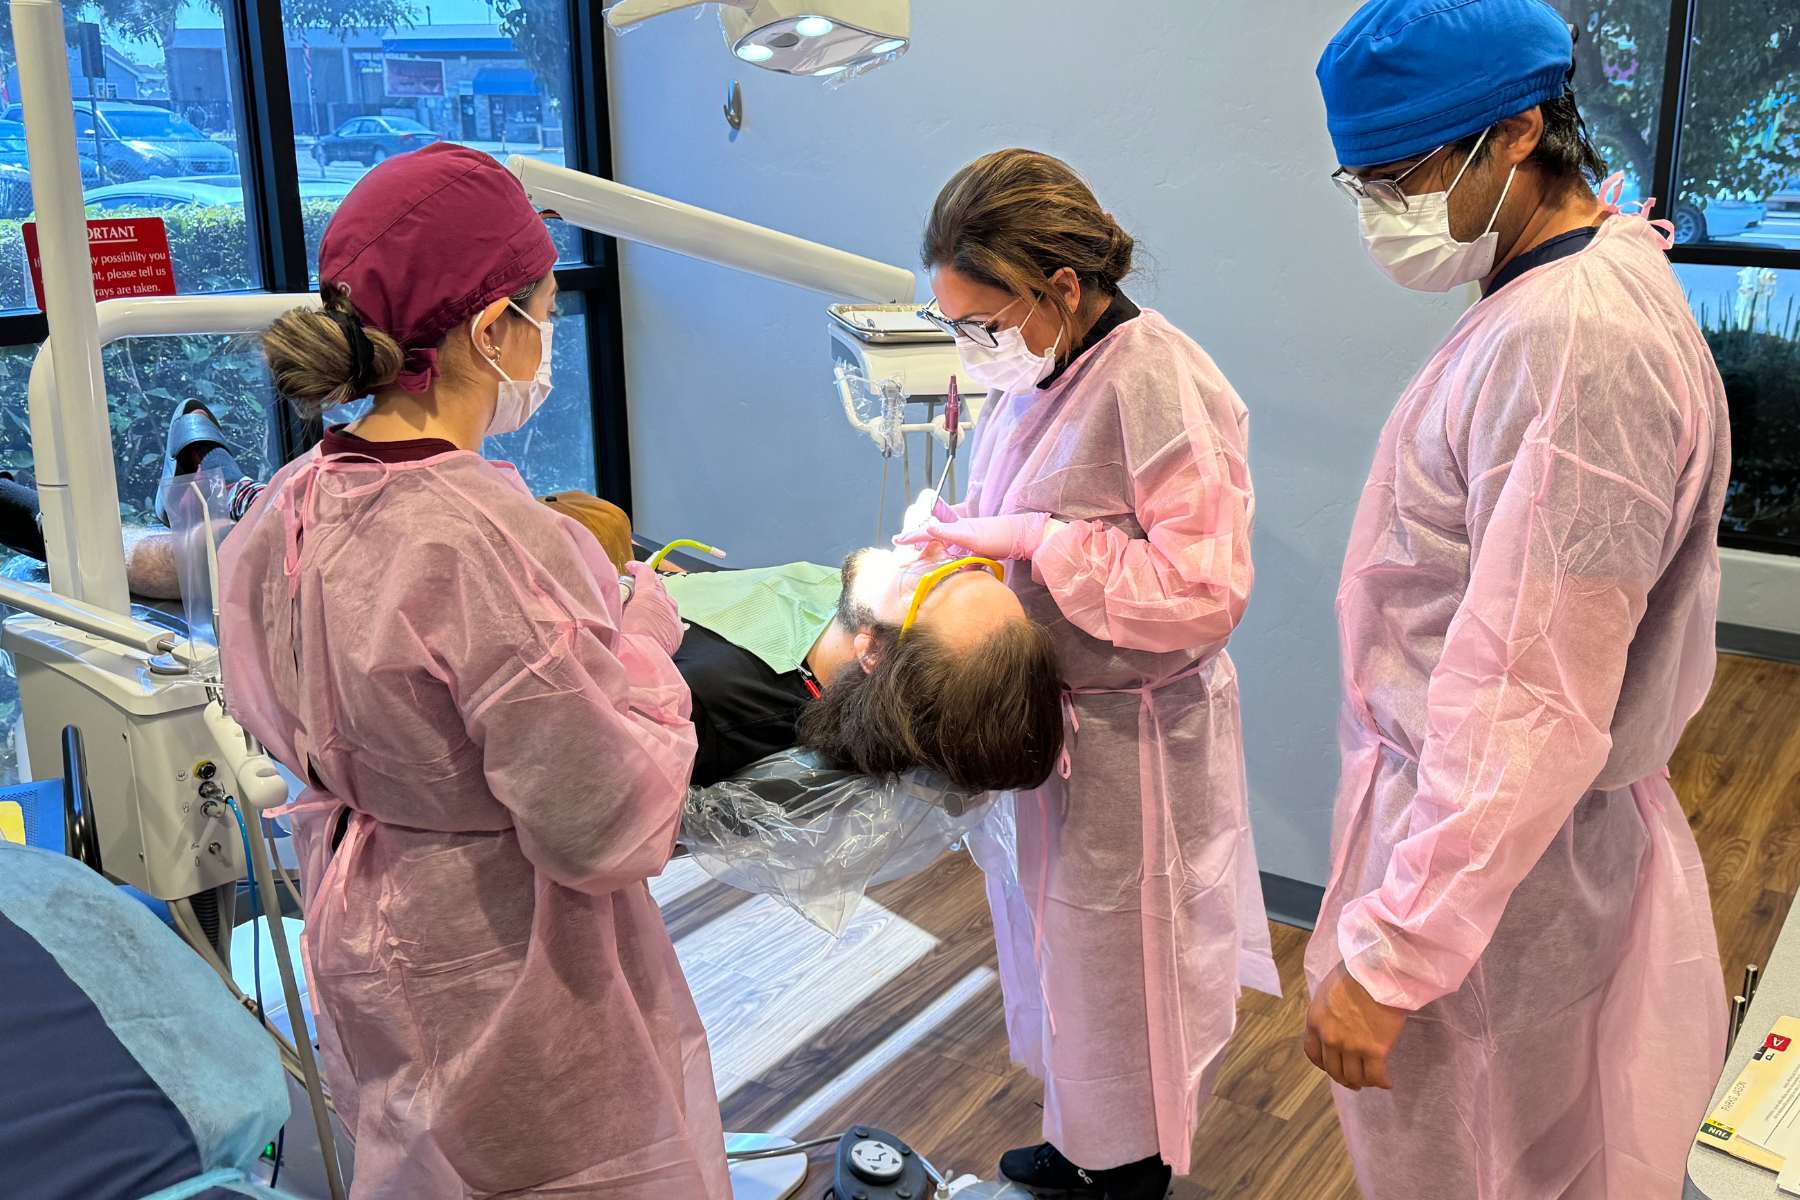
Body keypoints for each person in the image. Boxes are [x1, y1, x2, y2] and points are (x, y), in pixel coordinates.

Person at [216, 144, 730, 1198]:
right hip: (513, 963)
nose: (546, 347)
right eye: (542, 316)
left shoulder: (294, 500)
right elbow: (606, 823)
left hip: (368, 917)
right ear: (493, 329)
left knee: (415, 1156)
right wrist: (635, 631)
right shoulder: (487, 534)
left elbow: (274, 704)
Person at [1304, 3, 1731, 1197]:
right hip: (1499, 847)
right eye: (1364, 178)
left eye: (1407, 172)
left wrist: (1396, 956)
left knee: (1490, 1162)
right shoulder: (1568, 286)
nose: (1384, 205)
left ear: (1518, 134)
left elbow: (1527, 695)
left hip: (1497, 877)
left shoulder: (1573, 342)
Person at [901, 148, 1280, 1200]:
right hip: (1060, 735)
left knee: (1129, 979)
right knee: (1058, 960)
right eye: (956, 327)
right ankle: (1079, 1144)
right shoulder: (1042, 370)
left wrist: (1034, 540)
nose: (974, 349)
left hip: (1136, 749)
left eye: (984, 324)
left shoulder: (1160, 383)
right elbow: (1029, 502)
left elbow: (1204, 590)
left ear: (1062, 288)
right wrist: (963, 543)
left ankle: (1131, 1171)